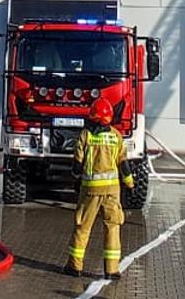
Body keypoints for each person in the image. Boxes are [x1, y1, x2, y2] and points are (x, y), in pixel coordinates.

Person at [66, 98, 135, 279]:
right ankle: (111, 270)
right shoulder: (116, 136)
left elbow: (76, 166)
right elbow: (124, 164)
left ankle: (75, 267)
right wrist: (130, 184)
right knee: (112, 228)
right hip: (112, 192)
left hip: (89, 191)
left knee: (82, 227)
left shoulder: (85, 136)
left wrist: (75, 180)